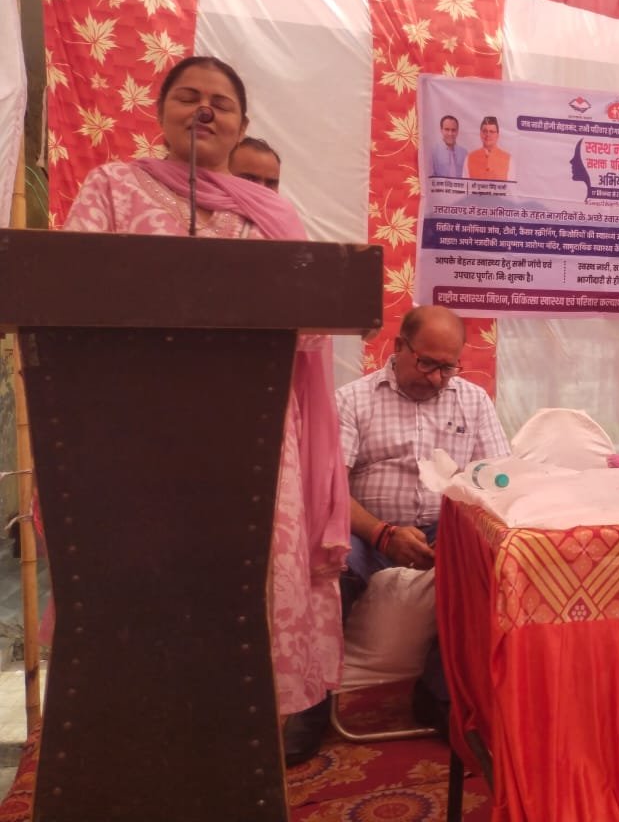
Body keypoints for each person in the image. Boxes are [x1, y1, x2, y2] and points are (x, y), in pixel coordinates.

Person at [62, 55, 349, 757]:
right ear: (161, 112)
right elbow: (68, 297)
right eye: (187, 96)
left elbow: (310, 332)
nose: (204, 109)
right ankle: (145, 756)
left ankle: (242, 761)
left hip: (253, 439)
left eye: (221, 102)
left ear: (241, 125)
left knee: (244, 598)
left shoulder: (271, 216)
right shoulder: (112, 187)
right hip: (138, 437)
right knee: (152, 593)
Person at [336, 304, 509, 728]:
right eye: (427, 363)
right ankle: (314, 703)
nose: (435, 378)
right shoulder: (352, 400)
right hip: (367, 530)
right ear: (399, 347)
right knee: (328, 564)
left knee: (499, 563)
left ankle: (437, 693)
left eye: (447, 368)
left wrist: (467, 529)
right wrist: (382, 534)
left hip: (446, 528)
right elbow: (330, 491)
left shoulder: (473, 401)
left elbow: (498, 482)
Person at [465, 115, 512, 181]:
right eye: (485, 131)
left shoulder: (508, 160)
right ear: (480, 134)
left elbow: (511, 186)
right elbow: (465, 184)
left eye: (491, 132)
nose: (488, 135)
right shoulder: (469, 158)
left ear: (497, 135)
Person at [429, 114, 467, 178]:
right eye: (447, 129)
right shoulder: (433, 152)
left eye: (453, 130)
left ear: (457, 131)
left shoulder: (464, 153)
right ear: (441, 130)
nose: (450, 133)